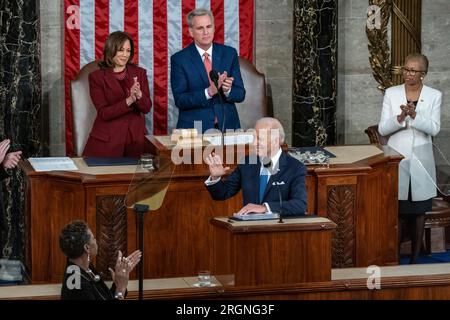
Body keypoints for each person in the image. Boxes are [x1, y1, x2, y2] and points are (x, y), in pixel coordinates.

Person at [378, 53, 441, 264]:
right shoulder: (391, 93)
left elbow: (434, 129)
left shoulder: (434, 95)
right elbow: (382, 129)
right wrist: (399, 118)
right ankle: (393, 257)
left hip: (422, 160)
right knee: (399, 212)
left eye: (413, 70)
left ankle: (415, 260)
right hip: (398, 159)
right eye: (406, 69)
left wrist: (415, 116)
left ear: (423, 74)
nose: (408, 74)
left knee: (419, 212)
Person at [205, 117, 307, 216]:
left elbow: (300, 205)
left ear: (276, 140)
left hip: (278, 229)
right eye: (253, 138)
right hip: (250, 229)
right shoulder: (247, 163)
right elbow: (222, 194)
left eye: (259, 139)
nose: (254, 143)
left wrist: (265, 208)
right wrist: (215, 177)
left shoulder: (295, 167)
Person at [170, 8, 246, 132]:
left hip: (228, 127)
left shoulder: (229, 54)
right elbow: (180, 100)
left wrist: (227, 90)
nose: (206, 32)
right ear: (191, 32)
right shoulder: (179, 59)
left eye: (209, 26)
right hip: (196, 129)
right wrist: (209, 92)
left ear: (214, 28)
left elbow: (240, 94)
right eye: (200, 28)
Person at [83, 31, 152, 157]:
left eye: (128, 50)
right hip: (108, 140)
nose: (125, 55)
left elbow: (147, 108)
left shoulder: (139, 73)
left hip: (135, 139)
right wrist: (129, 100)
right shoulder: (96, 77)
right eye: (121, 50)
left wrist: (140, 95)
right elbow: (104, 113)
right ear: (111, 49)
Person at [59, 220, 141, 300]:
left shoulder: (86, 268)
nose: (96, 241)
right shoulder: (77, 286)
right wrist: (121, 288)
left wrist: (117, 283)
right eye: (93, 238)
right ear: (87, 248)